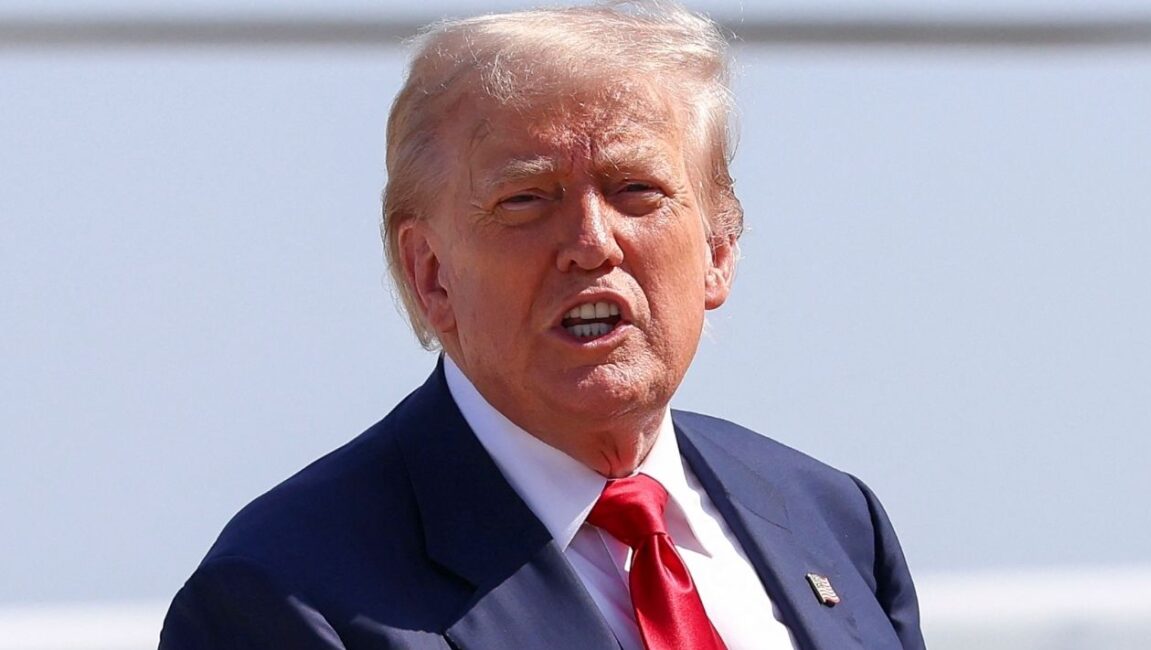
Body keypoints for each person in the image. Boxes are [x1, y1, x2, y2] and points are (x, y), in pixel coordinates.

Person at [159, 2, 926, 649]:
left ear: (719, 252)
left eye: (636, 190)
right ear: (432, 275)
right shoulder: (286, 596)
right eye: (527, 199)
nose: (592, 243)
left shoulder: (828, 517)